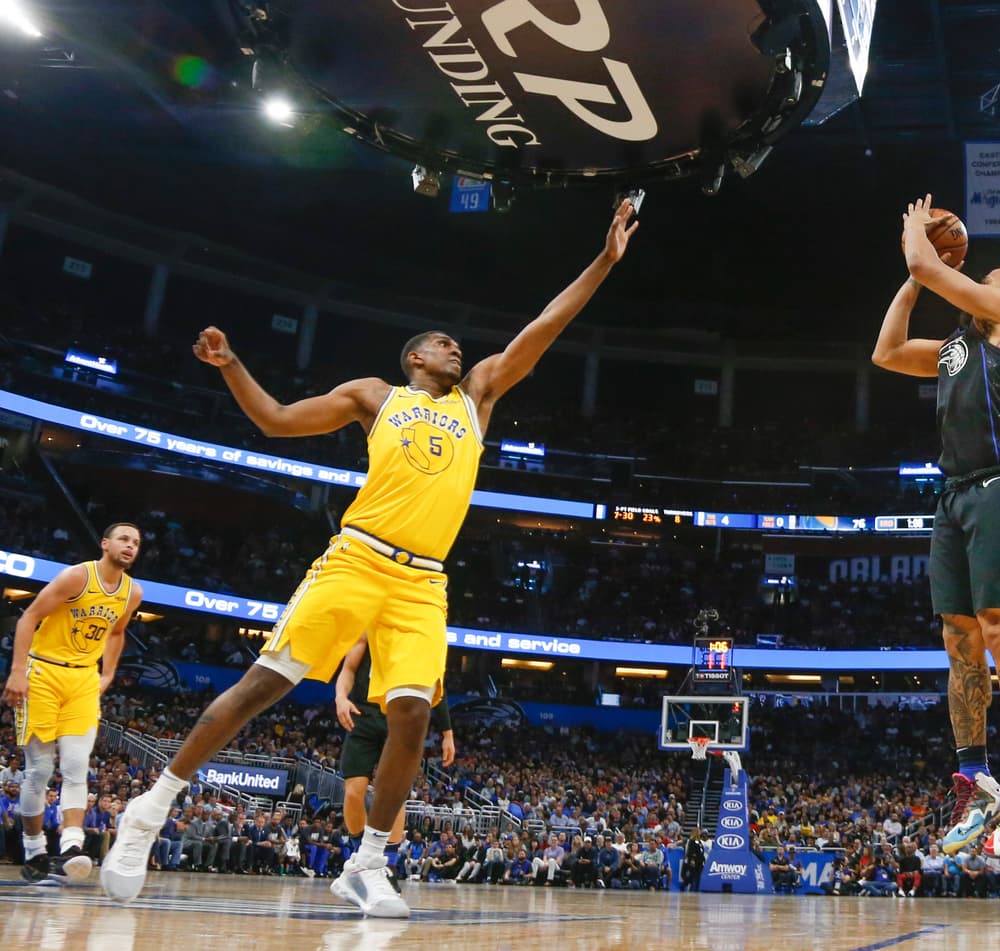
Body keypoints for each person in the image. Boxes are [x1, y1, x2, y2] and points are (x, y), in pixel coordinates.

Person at [100, 201, 639, 915]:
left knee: (413, 714)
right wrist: (232, 365)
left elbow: (544, 328)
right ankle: (151, 807)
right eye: (442, 343)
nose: (456, 349)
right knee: (265, 685)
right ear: (415, 357)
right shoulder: (374, 396)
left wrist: (604, 258)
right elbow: (275, 421)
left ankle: (368, 861)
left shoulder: (478, 395)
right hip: (356, 559)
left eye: (457, 346)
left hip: (424, 582)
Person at [872, 194, 1000, 858]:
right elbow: (888, 351)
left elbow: (931, 268)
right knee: (958, 638)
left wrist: (916, 233)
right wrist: (914, 273)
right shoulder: (955, 347)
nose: (973, 283)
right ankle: (974, 773)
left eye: (981, 278)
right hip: (953, 496)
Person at [2, 523, 143, 882]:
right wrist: (18, 671)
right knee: (39, 771)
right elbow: (29, 617)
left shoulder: (132, 592)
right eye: (124, 539)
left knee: (78, 766)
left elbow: (116, 632)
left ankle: (72, 846)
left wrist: (108, 673)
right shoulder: (76, 577)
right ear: (106, 543)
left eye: (137, 543)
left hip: (82, 679)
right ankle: (34, 850)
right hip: (43, 674)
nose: (130, 546)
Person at [334, 632, 455, 888]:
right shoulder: (368, 629)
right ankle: (361, 858)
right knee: (354, 792)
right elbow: (348, 668)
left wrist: (447, 732)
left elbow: (435, 683)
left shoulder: (415, 634)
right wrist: (341, 698)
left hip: (397, 720)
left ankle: (388, 864)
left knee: (393, 794)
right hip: (362, 716)